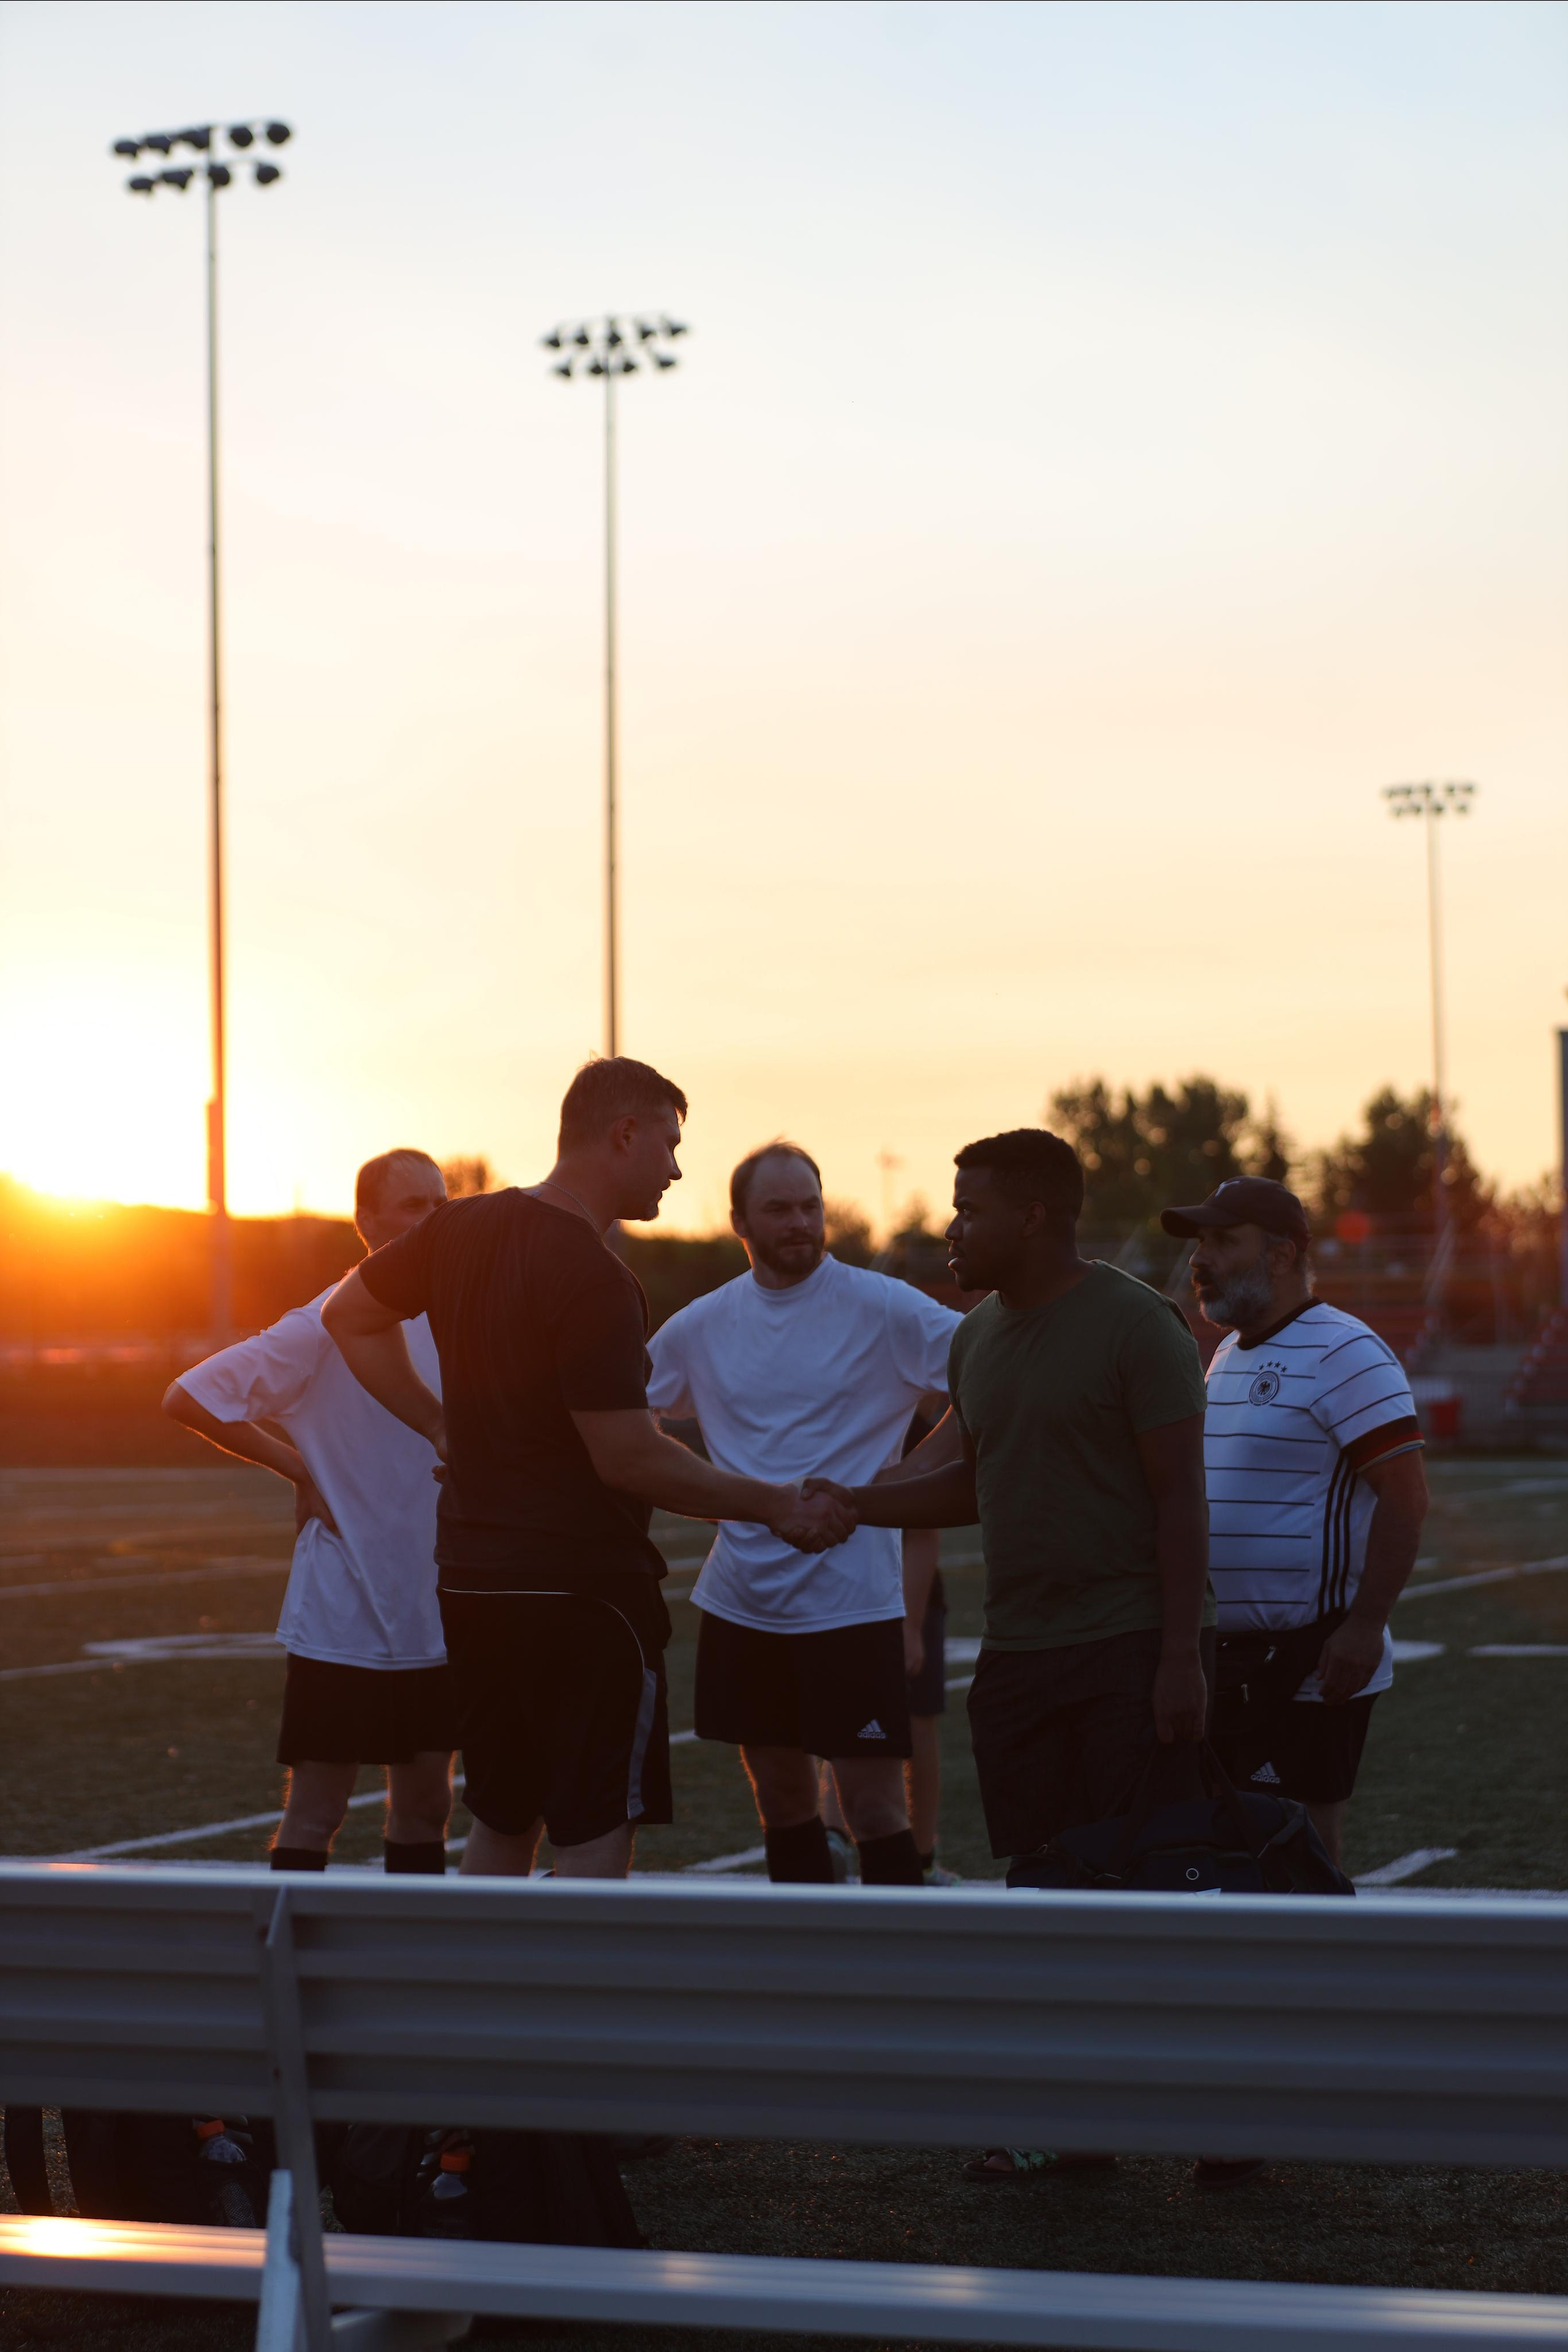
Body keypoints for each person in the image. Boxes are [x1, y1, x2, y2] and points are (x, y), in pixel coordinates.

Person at [320, 1059, 853, 1883]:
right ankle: (561, 2005)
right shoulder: (597, 1275)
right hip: (583, 1594)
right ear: (624, 1135)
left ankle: (479, 2002)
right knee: (593, 1826)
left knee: (501, 1814)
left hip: (470, 1578)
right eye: (670, 1146)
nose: (677, 1169)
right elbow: (630, 1457)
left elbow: (347, 1314)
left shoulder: (459, 1227)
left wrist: (436, 1423)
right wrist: (773, 1503)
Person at [812, 1127, 1212, 2182]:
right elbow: (962, 1481)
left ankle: (1215, 2109)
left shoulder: (1139, 1326)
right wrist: (853, 1504)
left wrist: (1181, 1658)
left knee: (1140, 1891)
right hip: (1022, 1653)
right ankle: (1072, 2122)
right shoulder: (975, 1338)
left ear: (1035, 1216)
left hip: (1124, 1648)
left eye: (972, 1208)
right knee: (1042, 1887)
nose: (953, 1227)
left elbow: (1181, 1500)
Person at [647, 1143, 961, 1887]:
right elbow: (628, 1420)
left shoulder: (883, 1307)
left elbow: (988, 1380)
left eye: (810, 1206)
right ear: (739, 1223)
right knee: (784, 1802)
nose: (799, 1222)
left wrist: (899, 1480)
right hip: (743, 1606)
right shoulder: (700, 1325)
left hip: (853, 1608)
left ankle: (896, 1988)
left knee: (875, 1810)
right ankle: (805, 1979)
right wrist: (712, 1496)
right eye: (778, 1209)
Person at [164, 1149, 454, 1874]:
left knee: (427, 1808)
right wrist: (300, 1467)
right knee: (317, 1809)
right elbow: (189, 1396)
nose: (432, 1221)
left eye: (441, 1206)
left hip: (439, 1606)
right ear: (366, 1222)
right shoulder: (325, 1321)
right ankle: (282, 1975)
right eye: (414, 1206)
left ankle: (402, 1972)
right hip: (345, 1610)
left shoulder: (463, 1312)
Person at [1161, 1176, 1428, 1869]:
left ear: (1280, 1257)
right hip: (1232, 1660)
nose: (1201, 1258)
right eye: (1199, 1242)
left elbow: (1405, 1498)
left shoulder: (1346, 1352)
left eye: (1223, 1241)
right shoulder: (1225, 1352)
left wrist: (1365, 1626)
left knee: (1299, 1850)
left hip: (1309, 1662)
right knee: (1227, 1847)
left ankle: (1323, 1978)